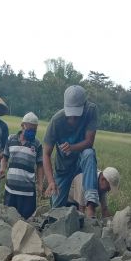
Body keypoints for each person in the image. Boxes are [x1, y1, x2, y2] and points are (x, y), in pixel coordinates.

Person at [43, 85, 100, 218]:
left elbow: (89, 142)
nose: (73, 119)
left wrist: (72, 147)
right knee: (55, 212)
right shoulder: (56, 121)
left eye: (76, 115)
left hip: (81, 160)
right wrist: (51, 181)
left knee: (89, 153)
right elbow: (46, 154)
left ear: (84, 105)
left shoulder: (91, 110)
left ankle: (90, 206)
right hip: (63, 167)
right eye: (70, 115)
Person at [0, 112, 44, 219]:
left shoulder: (37, 144)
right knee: (9, 220)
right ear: (23, 125)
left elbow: (40, 166)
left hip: (28, 192)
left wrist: (40, 184)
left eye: (35, 130)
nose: (33, 132)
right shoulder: (11, 139)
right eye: (31, 129)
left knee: (26, 221)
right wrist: (2, 169)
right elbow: (5, 157)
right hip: (11, 190)